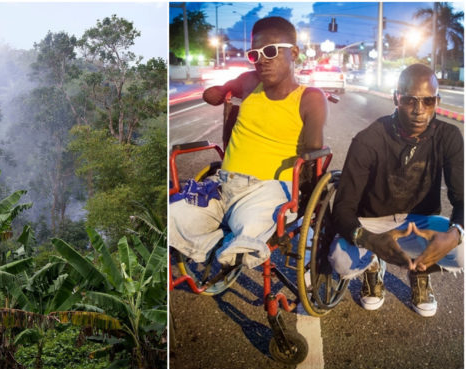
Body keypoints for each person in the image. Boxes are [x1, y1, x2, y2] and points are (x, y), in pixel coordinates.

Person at [169, 16, 328, 268]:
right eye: (254, 54)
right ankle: (220, 244)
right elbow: (223, 89)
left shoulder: (310, 98)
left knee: (254, 221)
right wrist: (219, 91)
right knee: (172, 216)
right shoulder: (249, 81)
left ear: (294, 53)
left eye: (271, 51)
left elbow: (313, 154)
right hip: (223, 183)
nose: (262, 60)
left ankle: (238, 243)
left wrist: (307, 196)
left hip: (268, 188)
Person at [329, 63, 464, 317]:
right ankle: (371, 264)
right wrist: (368, 239)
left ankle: (421, 271)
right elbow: (343, 207)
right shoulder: (369, 139)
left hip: (420, 224)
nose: (419, 110)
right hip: (372, 222)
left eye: (428, 101)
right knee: (340, 260)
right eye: (410, 100)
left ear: (438, 101)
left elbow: (461, 198)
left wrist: (455, 234)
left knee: (463, 248)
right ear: (396, 98)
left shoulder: (449, 136)